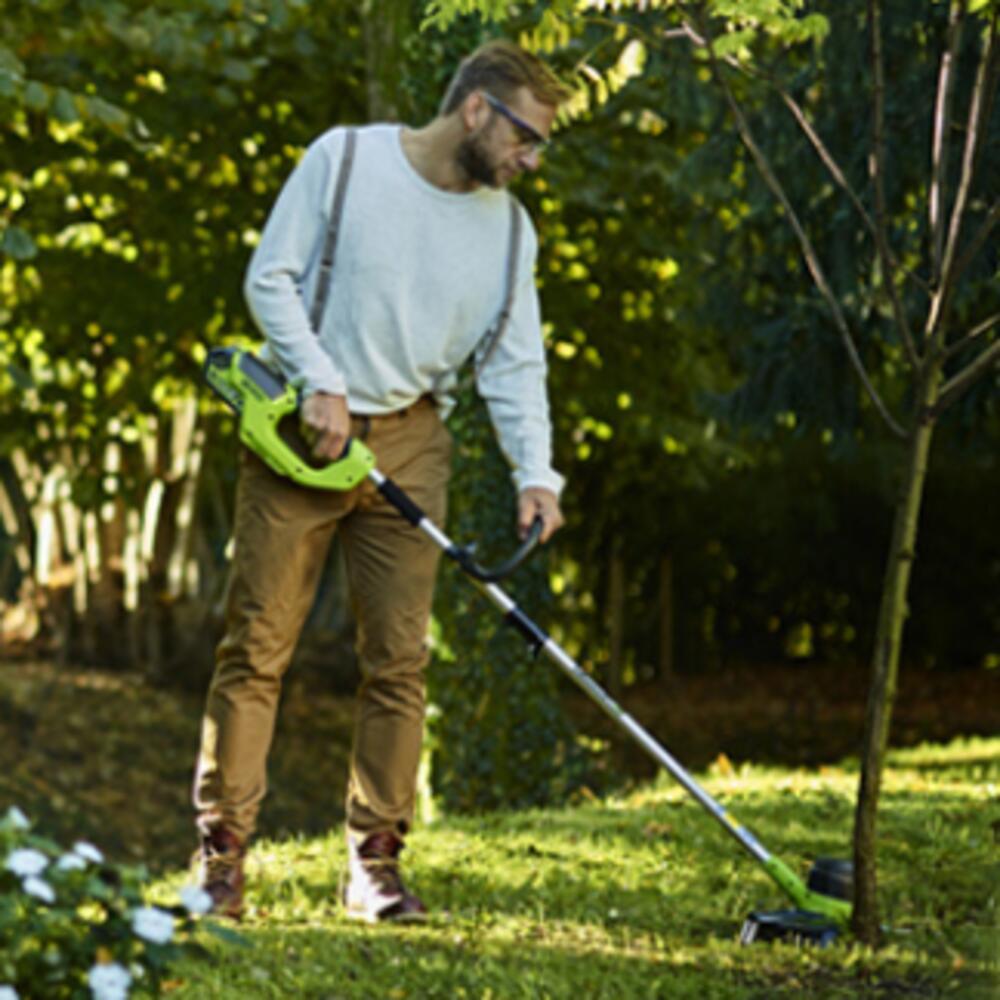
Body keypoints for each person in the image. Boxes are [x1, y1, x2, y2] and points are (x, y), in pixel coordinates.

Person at [192, 40, 570, 923]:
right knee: (257, 651)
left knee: (399, 664)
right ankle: (219, 863)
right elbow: (269, 279)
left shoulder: (510, 230)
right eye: (526, 137)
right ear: (476, 110)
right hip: (301, 440)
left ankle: (375, 864)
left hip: (411, 445)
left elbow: (515, 366)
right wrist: (319, 378)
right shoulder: (347, 160)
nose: (532, 160)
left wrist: (536, 474)